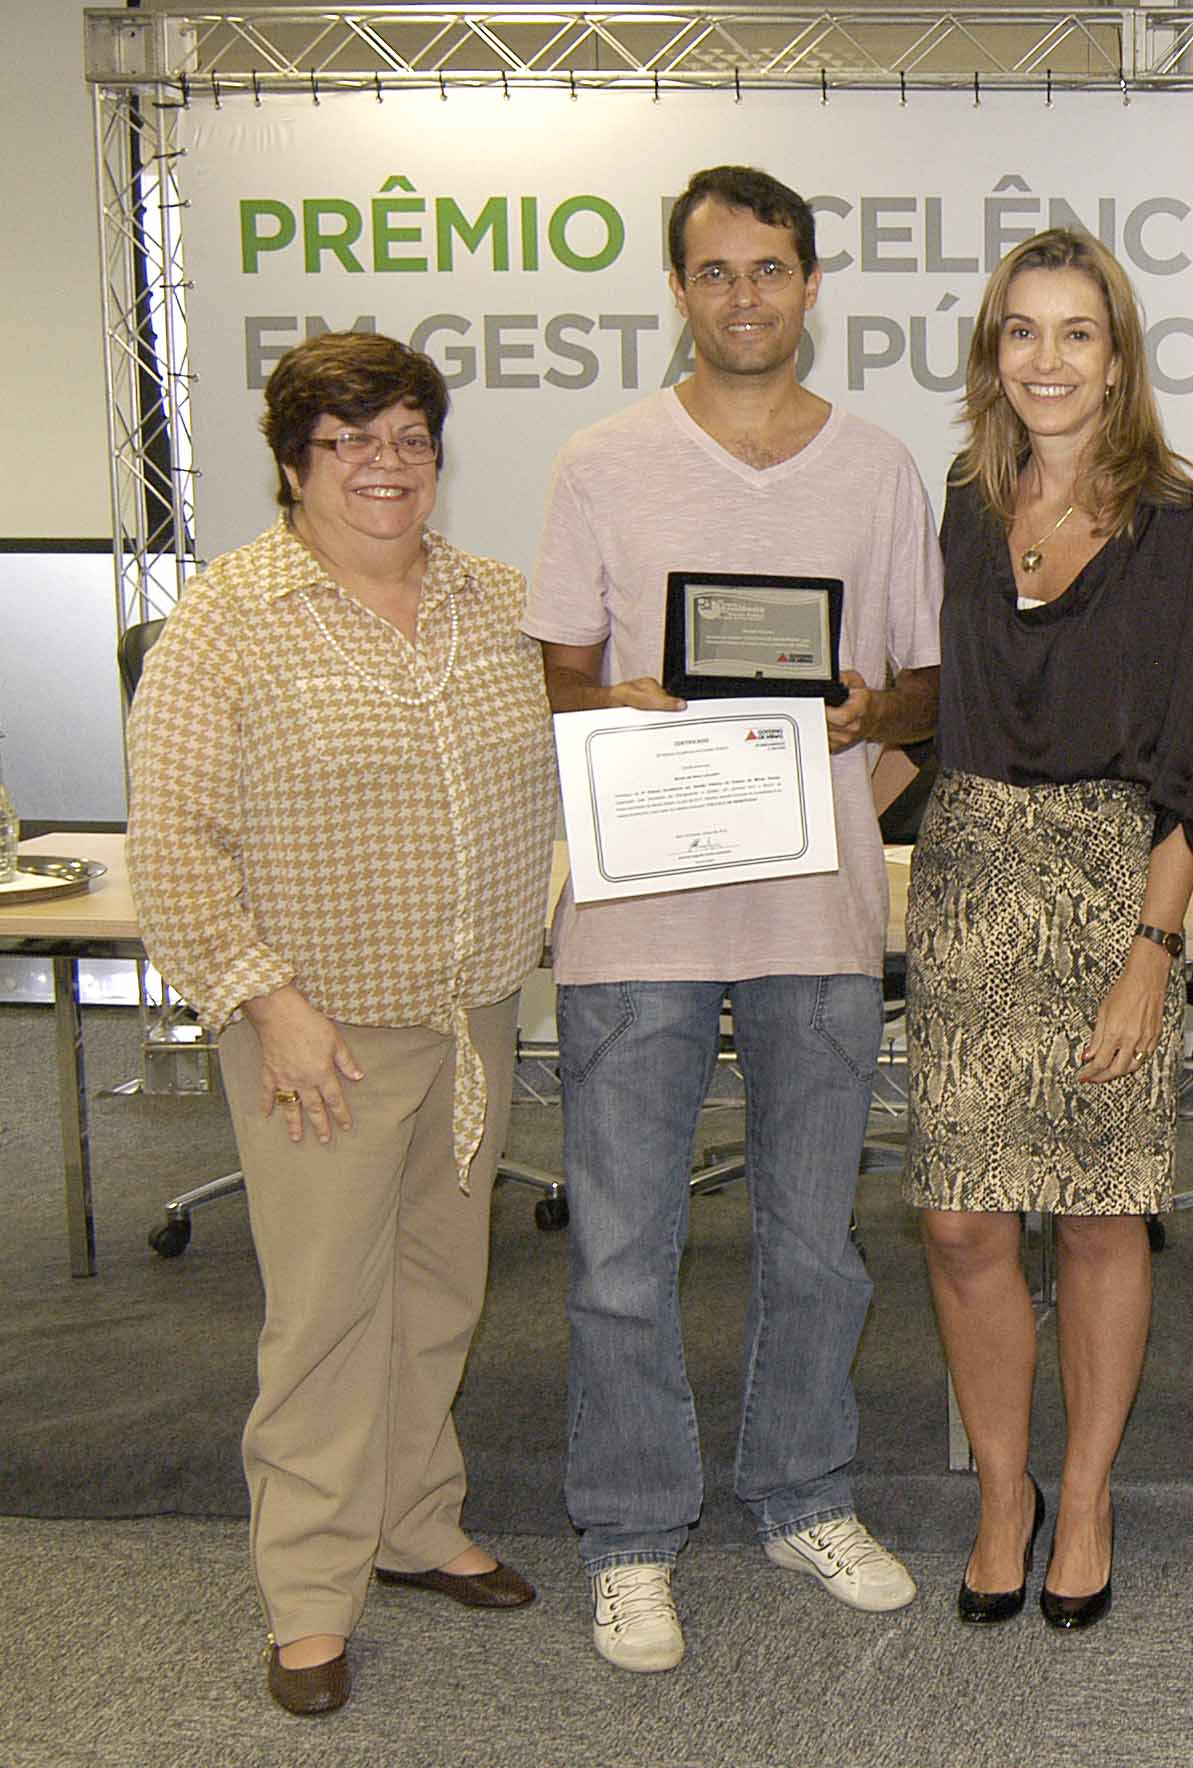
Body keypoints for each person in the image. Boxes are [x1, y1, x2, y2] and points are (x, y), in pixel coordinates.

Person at [525, 165, 943, 1674]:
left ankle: (801, 1495)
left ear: (812, 284)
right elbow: (555, 672)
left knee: (816, 1246)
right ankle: (632, 1531)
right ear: (678, 289)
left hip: (814, 916)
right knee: (619, 1256)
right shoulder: (601, 461)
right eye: (715, 272)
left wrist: (867, 713)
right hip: (636, 918)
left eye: (769, 269)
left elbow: (929, 688)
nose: (744, 297)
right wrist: (620, 700)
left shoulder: (879, 469)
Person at [127, 331, 558, 1716]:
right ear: (294, 462)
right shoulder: (229, 617)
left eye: (410, 438)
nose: (387, 465)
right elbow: (174, 843)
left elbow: (581, 767)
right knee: (324, 1316)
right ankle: (311, 1590)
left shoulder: (497, 603)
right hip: (318, 1033)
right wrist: (272, 1004)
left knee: (440, 1293)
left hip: (470, 1012)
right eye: (351, 440)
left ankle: (415, 1521)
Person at [903, 228, 1193, 1632]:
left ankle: (1085, 1495)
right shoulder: (962, 508)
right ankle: (1004, 1493)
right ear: (993, 354)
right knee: (961, 1218)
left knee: (1101, 1218)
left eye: (1076, 333)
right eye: (1022, 331)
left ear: (1118, 357)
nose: (1048, 359)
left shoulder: (1183, 525)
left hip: (1115, 887)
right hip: (971, 878)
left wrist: (1150, 957)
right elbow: (924, 712)